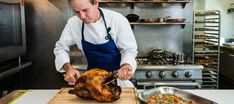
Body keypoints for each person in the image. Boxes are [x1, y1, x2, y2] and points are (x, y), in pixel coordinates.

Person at [54, 0, 138, 87]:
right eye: (77, 12)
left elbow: (129, 50)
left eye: (85, 10)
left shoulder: (116, 19)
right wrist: (68, 68)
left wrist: (126, 65)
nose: (82, 16)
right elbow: (60, 48)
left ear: (96, 3)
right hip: (92, 81)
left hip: (119, 80)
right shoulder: (73, 23)